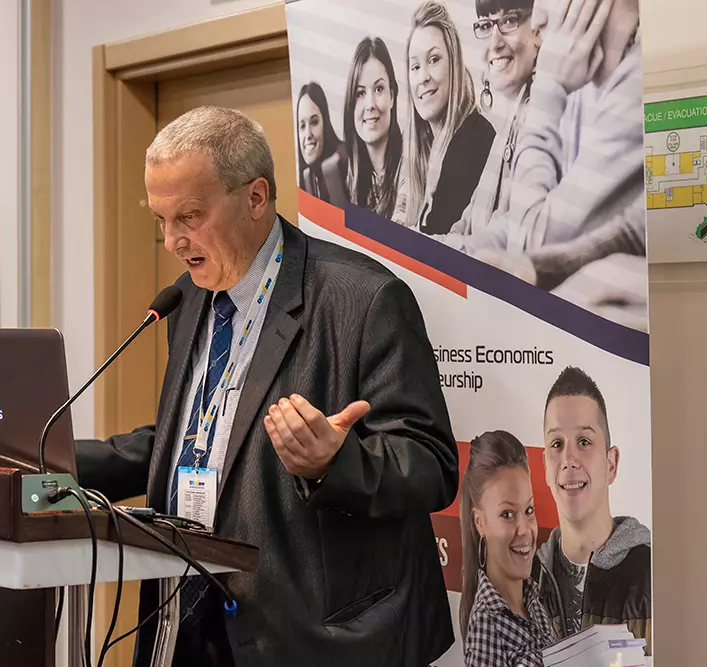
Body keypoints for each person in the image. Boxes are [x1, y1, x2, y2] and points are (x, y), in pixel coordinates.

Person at [76, 105, 459, 667]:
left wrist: (333, 463)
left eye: (189, 216)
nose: (173, 240)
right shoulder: (189, 300)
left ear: (256, 198)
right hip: (190, 620)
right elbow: (194, 440)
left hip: (310, 635)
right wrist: (52, 463)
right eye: (161, 220)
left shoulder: (363, 298)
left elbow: (431, 464)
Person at [471, 0, 644, 280]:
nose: (536, 21)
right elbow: (515, 225)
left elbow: (528, 247)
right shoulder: (585, 90)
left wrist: (548, 88)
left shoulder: (640, 88)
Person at [532, 366, 652, 652]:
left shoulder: (652, 574)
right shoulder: (529, 580)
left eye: (584, 442)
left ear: (611, 464)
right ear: (545, 466)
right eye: (557, 444)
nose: (568, 459)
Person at [439, 0, 542, 247]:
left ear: (538, 28)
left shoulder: (544, 124)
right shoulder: (506, 128)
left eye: (509, 20)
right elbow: (465, 226)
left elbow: (501, 244)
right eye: (485, 25)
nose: (495, 43)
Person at [460, 430, 553, 667]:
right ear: (480, 522)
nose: (525, 530)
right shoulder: (486, 625)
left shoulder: (533, 598)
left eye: (529, 510)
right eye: (507, 514)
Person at [403, 0, 495, 236]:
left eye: (434, 59)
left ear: (454, 63)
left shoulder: (475, 141)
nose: (423, 77)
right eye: (415, 67)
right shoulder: (426, 149)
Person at [343, 37, 406, 223]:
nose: (370, 104)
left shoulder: (412, 164)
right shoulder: (345, 180)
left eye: (379, 89)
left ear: (392, 96)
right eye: (360, 93)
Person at [295, 81, 349, 209]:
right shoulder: (308, 177)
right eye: (302, 126)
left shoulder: (346, 161)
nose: (308, 134)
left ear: (325, 123)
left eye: (314, 122)